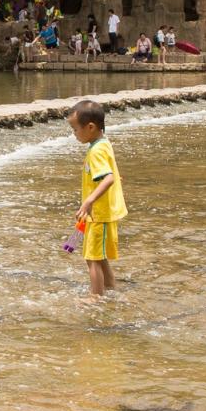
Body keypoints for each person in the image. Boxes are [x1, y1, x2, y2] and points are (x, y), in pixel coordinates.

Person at [67, 100, 127, 296]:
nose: (74, 134)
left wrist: (89, 201)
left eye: (75, 129)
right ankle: (110, 288)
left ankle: (96, 297)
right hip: (99, 213)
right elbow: (111, 174)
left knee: (91, 257)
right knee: (98, 255)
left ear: (90, 127)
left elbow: (107, 178)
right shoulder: (102, 143)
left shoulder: (96, 151)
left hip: (98, 213)